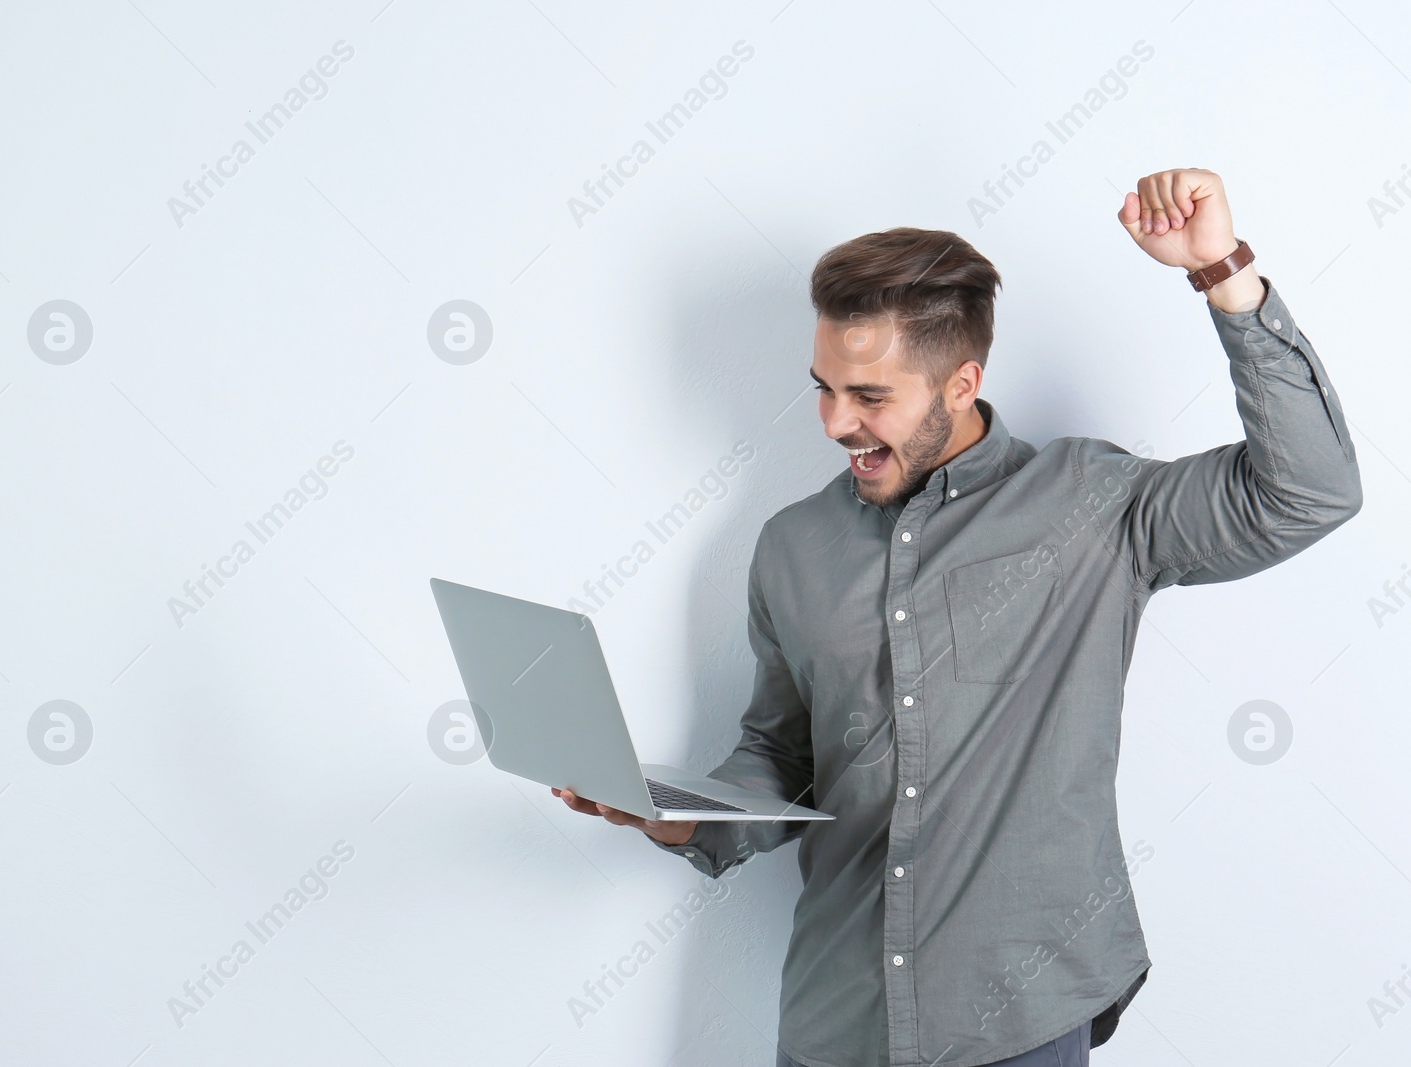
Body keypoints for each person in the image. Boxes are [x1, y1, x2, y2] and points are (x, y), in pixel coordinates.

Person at [554, 167, 1362, 1067]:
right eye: (823, 386)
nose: (832, 422)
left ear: (959, 381)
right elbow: (786, 759)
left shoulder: (1093, 504)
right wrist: (684, 817)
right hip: (835, 1025)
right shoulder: (792, 546)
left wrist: (1222, 272)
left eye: (869, 397)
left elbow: (1309, 493)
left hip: (1016, 1021)